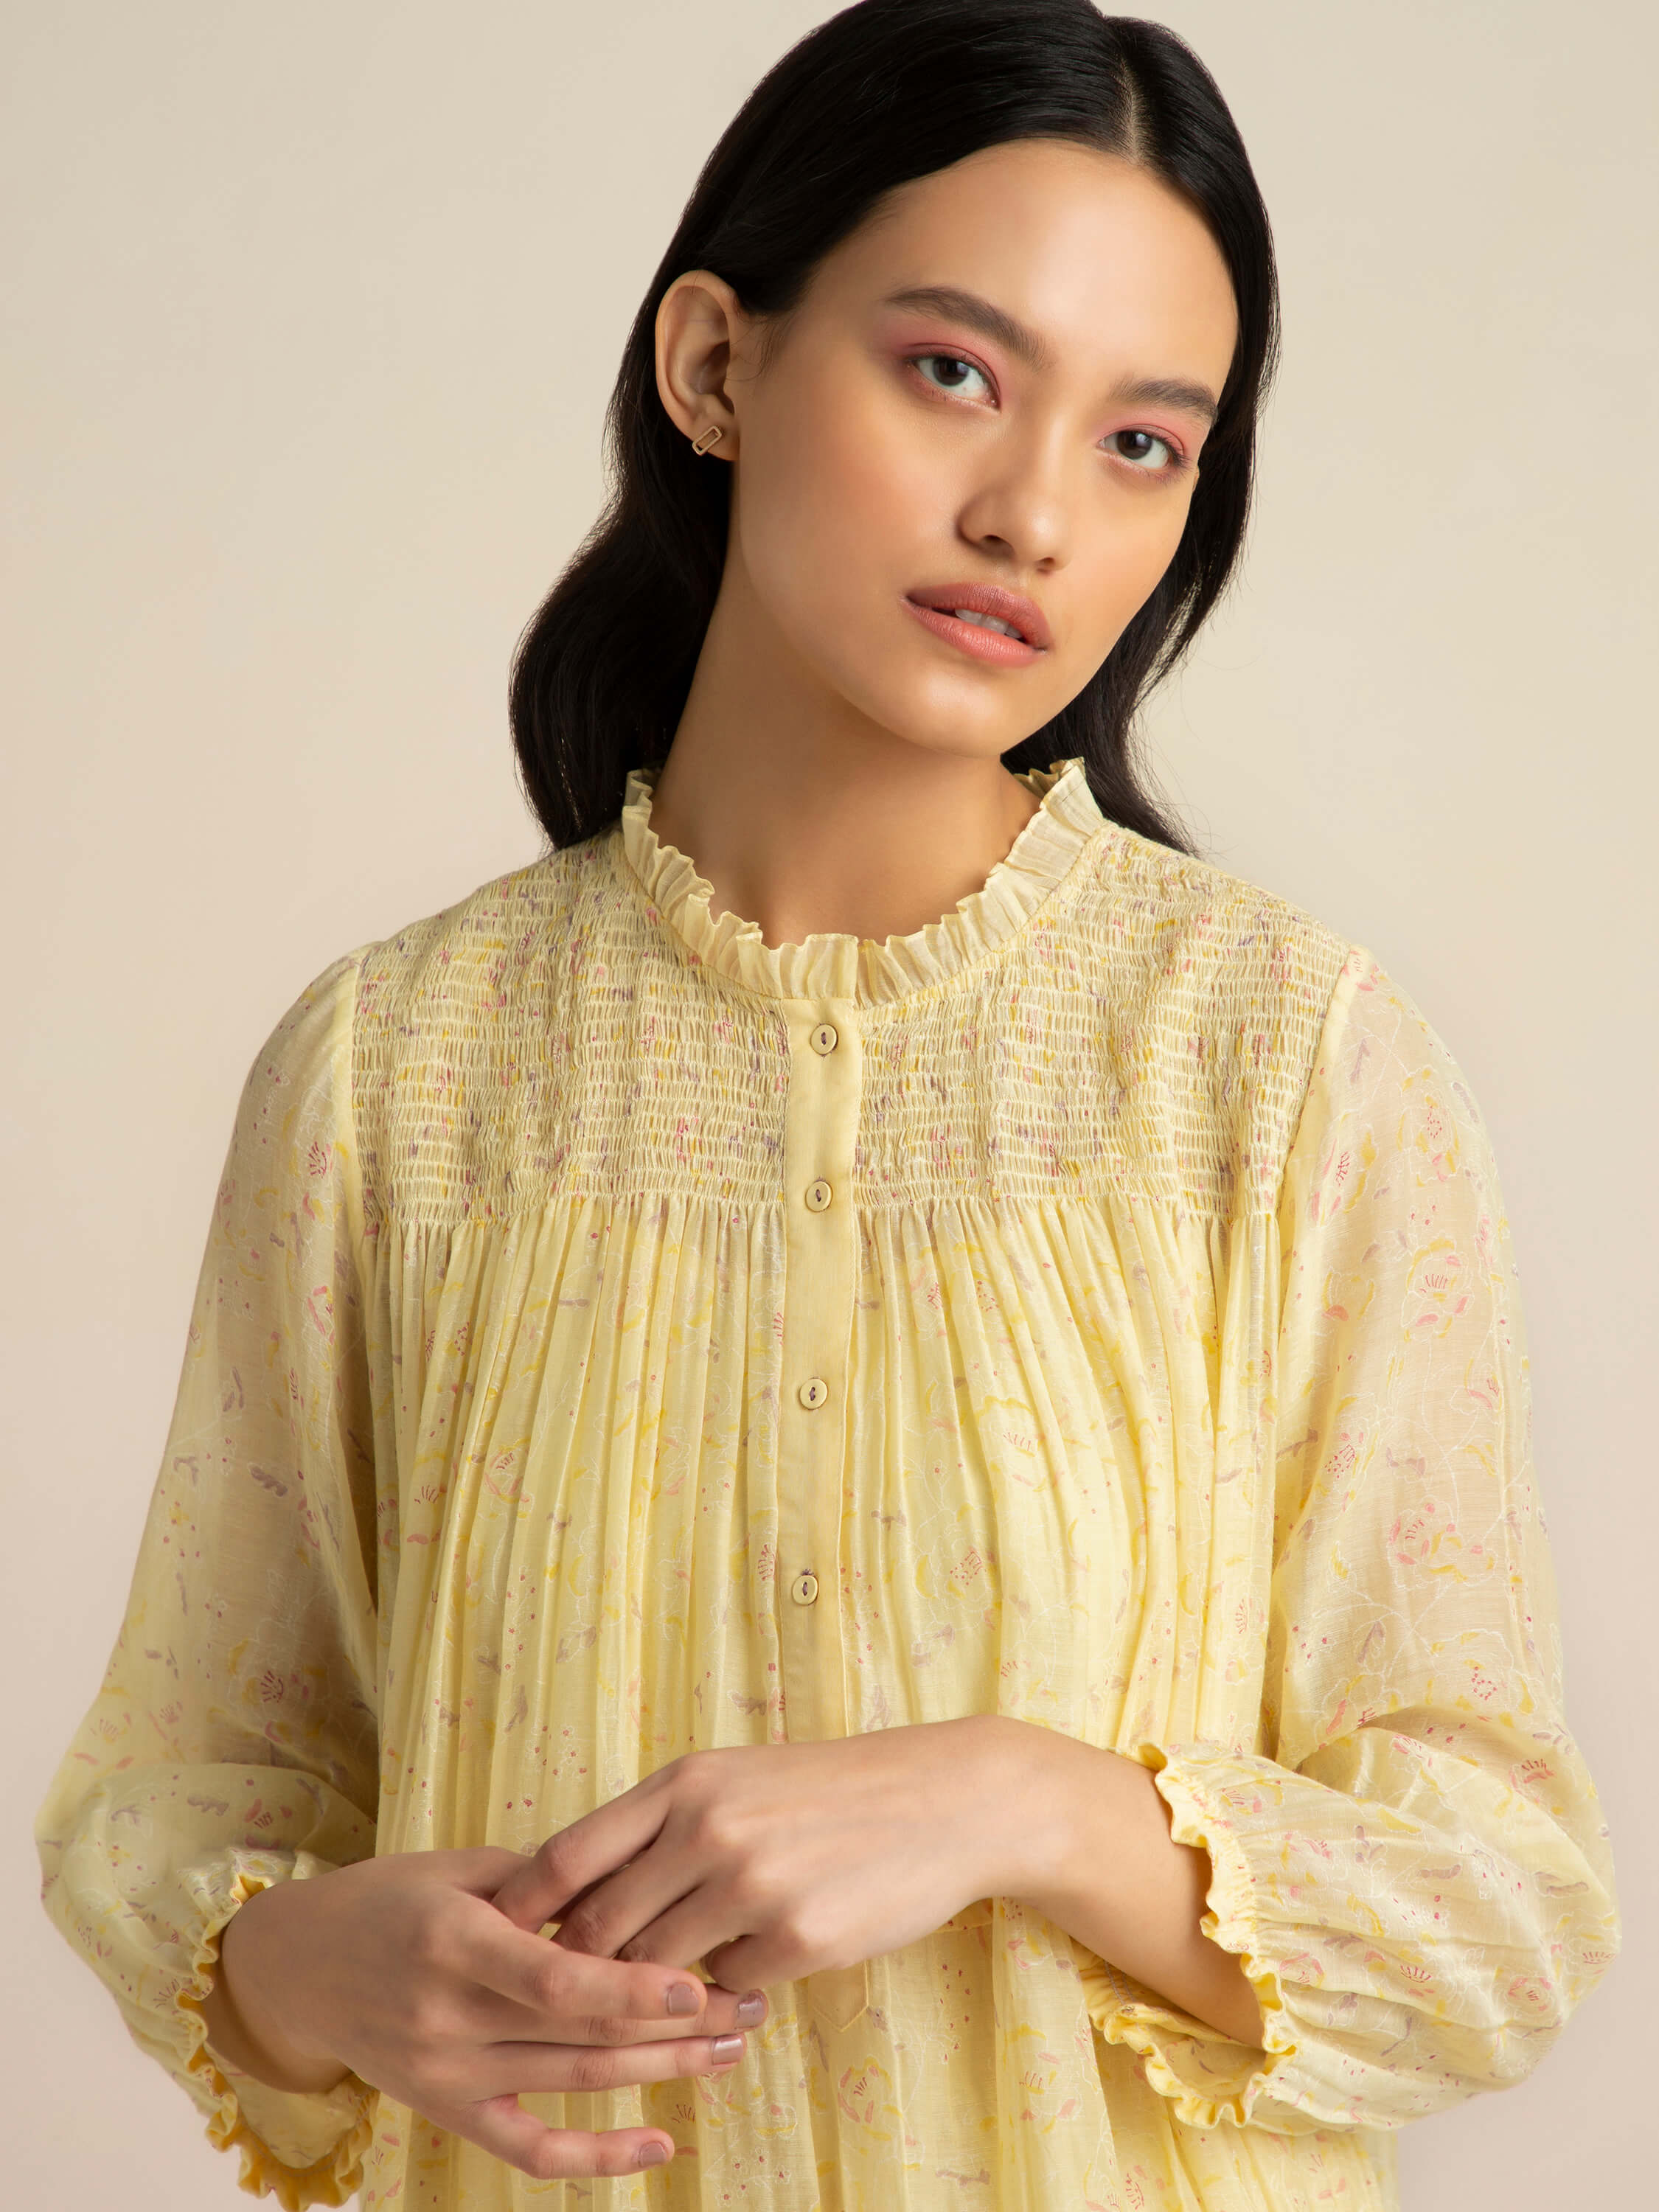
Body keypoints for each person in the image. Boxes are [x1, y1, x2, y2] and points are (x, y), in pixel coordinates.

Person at [33, 2, 1621, 2208]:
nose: (1029, 514)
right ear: (714, 364)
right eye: (952, 369)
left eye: (1144, 443)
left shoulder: (1275, 1058)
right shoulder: (400, 1071)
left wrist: (1029, 1804)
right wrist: (313, 1967)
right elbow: (181, 1798)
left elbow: (1499, 1916)